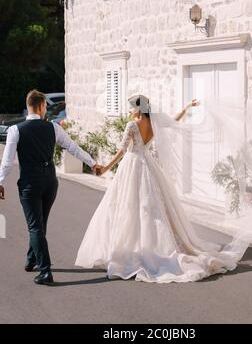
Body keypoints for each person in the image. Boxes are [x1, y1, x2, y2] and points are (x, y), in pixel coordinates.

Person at [75, 94, 242, 283]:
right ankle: (158, 244)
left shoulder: (132, 125)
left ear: (138, 109)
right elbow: (173, 121)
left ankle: (133, 247)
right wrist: (187, 107)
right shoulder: (154, 123)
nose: (130, 111)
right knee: (153, 207)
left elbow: (122, 150)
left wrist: (105, 168)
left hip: (132, 165)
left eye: (132, 108)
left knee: (129, 206)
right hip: (147, 164)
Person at [0, 89, 102, 285]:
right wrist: (92, 163)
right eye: (46, 106)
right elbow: (72, 147)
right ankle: (32, 260)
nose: (46, 110)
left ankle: (45, 271)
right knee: (40, 224)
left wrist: (0, 181)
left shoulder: (16, 130)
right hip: (50, 183)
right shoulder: (53, 128)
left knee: (35, 226)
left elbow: (7, 161)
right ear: (40, 106)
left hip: (30, 183)